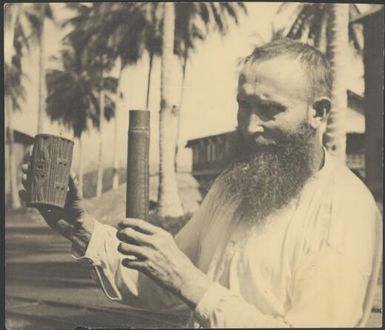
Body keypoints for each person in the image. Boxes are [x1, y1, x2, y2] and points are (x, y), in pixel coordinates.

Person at [19, 39, 381, 328]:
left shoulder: (346, 213)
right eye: (243, 104)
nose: (249, 125)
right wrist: (82, 229)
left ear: (318, 113)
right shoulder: (234, 185)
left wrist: (192, 284)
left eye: (269, 109)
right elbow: (161, 287)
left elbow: (185, 281)